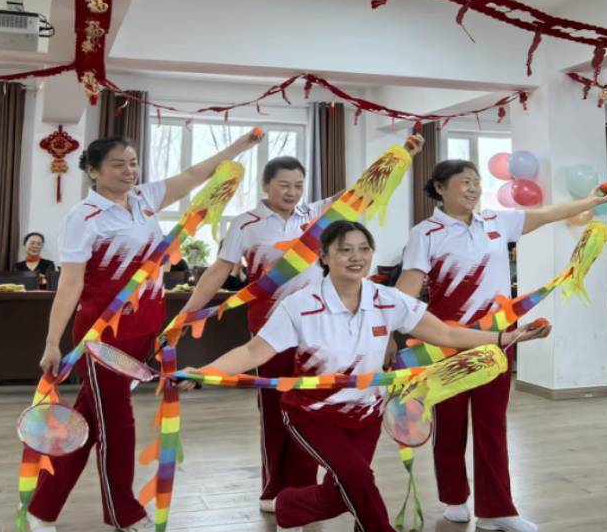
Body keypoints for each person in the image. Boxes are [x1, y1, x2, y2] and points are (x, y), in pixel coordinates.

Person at [181, 221, 551, 532]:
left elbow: (447, 335)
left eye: (364, 248)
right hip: (311, 412)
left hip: (365, 413)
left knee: (343, 487)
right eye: (344, 250)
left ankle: (290, 506)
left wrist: (507, 337)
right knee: (356, 474)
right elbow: (253, 352)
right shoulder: (300, 304)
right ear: (324, 256)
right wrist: (205, 371)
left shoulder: (388, 300)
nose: (356, 256)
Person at [25, 130, 262, 532]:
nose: (129, 171)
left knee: (91, 422)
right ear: (93, 170)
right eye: (118, 165)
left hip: (147, 329)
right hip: (102, 338)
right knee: (118, 426)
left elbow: (194, 174)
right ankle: (125, 513)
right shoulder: (83, 217)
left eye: (133, 163)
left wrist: (239, 148)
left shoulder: (144, 199)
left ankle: (41, 506)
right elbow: (71, 284)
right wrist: (52, 342)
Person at [176, 136, 424, 512]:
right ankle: (275, 490)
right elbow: (218, 272)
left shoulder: (317, 216)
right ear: (265, 186)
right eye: (283, 185)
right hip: (270, 332)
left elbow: (360, 190)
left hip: (321, 332)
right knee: (276, 413)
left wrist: (401, 155)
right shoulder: (247, 224)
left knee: (313, 411)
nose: (292, 192)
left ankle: (305, 493)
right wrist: (188, 315)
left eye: (298, 185)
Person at [395, 159, 607, 532]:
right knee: (449, 423)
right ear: (439, 188)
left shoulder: (496, 221)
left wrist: (590, 202)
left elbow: (546, 214)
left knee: (492, 423)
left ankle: (496, 509)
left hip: (499, 339)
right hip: (447, 340)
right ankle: (454, 498)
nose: (473, 188)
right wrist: (383, 328)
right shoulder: (425, 233)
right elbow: (408, 288)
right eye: (464, 182)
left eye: (476, 182)